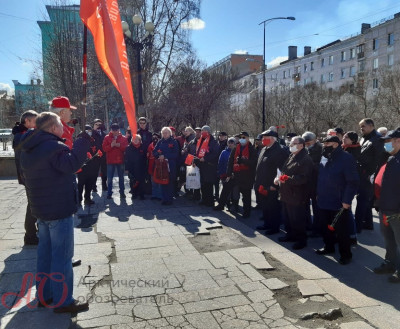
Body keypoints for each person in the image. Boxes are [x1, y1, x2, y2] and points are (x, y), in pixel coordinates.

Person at [20, 112, 90, 313]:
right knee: (62, 256)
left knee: (45, 255)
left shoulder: (28, 148)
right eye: (60, 124)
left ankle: (45, 296)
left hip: (41, 210)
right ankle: (63, 301)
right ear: (52, 128)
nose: (63, 128)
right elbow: (71, 165)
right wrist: (82, 142)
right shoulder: (53, 147)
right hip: (58, 210)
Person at [316, 135, 359, 265]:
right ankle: (328, 247)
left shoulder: (346, 158)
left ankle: (346, 254)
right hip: (323, 198)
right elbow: (321, 176)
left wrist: (347, 200)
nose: (324, 146)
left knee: (341, 230)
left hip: (338, 201)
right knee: (325, 227)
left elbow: (352, 182)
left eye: (327, 143)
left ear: (335, 144)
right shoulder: (325, 156)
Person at [373, 128, 400, 283]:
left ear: (398, 140)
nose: (386, 145)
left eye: (388, 141)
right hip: (386, 207)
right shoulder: (391, 158)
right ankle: (390, 263)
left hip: (397, 210)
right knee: (389, 239)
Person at [277, 136, 313, 249]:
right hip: (287, 192)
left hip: (297, 195)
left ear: (301, 145)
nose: (290, 145)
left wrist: (287, 178)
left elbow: (303, 178)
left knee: (297, 219)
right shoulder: (292, 156)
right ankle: (290, 235)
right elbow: (284, 170)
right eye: (290, 143)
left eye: (293, 143)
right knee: (288, 218)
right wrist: (278, 177)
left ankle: (301, 240)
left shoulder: (306, 159)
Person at [255, 130, 289, 235]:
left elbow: (281, 169)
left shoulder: (280, 151)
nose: (263, 139)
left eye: (266, 137)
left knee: (273, 207)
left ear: (273, 138)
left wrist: (275, 185)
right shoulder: (264, 149)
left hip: (271, 186)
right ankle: (267, 224)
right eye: (263, 137)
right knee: (265, 207)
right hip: (262, 184)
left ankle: (274, 227)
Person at [12, 110, 38, 245]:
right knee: (33, 205)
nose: (37, 124)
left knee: (34, 204)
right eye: (35, 121)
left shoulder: (22, 134)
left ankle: (33, 233)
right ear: (27, 121)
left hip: (29, 175)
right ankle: (30, 235)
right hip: (29, 175)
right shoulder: (21, 136)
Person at [356, 118, 385, 232]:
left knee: (362, 199)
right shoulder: (364, 137)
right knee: (365, 200)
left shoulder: (378, 139)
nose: (361, 128)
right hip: (362, 171)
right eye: (360, 126)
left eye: (363, 126)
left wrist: (371, 174)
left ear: (371, 125)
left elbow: (379, 159)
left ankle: (357, 226)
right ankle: (368, 223)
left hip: (368, 174)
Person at [223, 131, 257, 218]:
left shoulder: (252, 149)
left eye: (244, 138)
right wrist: (229, 173)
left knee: (246, 196)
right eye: (240, 137)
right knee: (233, 192)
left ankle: (246, 212)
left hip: (247, 176)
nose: (242, 139)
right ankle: (229, 206)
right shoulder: (236, 148)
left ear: (248, 138)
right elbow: (230, 161)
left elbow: (254, 163)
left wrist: (243, 161)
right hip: (236, 174)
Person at [302, 131, 323, 237]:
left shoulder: (321, 150)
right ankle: (307, 225)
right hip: (306, 181)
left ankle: (317, 229)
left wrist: (311, 165)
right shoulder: (304, 150)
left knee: (316, 207)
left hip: (316, 182)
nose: (307, 145)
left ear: (314, 140)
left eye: (309, 143)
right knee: (305, 204)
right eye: (305, 143)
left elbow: (321, 166)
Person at [193, 125, 220, 207]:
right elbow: (197, 151)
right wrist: (195, 160)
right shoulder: (201, 140)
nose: (202, 133)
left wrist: (206, 158)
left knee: (209, 184)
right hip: (201, 165)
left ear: (208, 132)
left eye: (204, 131)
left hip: (209, 166)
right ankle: (204, 199)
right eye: (202, 131)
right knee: (203, 183)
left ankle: (210, 201)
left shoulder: (213, 142)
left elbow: (215, 154)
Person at [153, 127, 179, 205]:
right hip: (161, 165)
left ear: (170, 133)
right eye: (163, 133)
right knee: (162, 181)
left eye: (166, 132)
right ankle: (164, 198)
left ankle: (169, 199)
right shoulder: (160, 142)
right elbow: (154, 151)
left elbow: (176, 154)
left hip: (170, 165)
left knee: (170, 182)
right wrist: (159, 155)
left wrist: (165, 156)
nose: (164, 134)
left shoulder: (174, 142)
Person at [77, 125, 102, 205]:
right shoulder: (79, 139)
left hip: (92, 165)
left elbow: (97, 148)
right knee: (81, 183)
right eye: (87, 131)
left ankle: (87, 198)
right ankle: (78, 199)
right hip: (83, 165)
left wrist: (97, 155)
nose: (89, 132)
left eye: (90, 130)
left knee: (90, 183)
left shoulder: (93, 139)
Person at [102, 123, 128, 199]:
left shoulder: (123, 138)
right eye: (113, 130)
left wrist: (119, 145)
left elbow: (126, 148)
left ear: (119, 130)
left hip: (120, 160)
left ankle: (122, 192)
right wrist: (111, 145)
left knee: (121, 177)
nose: (115, 132)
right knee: (110, 178)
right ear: (111, 130)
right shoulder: (107, 138)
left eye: (116, 130)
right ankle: (109, 193)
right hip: (110, 161)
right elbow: (104, 149)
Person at [214, 137, 238, 211]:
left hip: (235, 175)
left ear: (235, 144)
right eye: (229, 143)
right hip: (225, 174)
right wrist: (221, 173)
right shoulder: (224, 152)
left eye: (232, 143)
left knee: (235, 192)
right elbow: (220, 163)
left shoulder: (237, 152)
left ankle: (235, 205)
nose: (230, 144)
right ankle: (224, 204)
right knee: (225, 191)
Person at [125, 134, 147, 200]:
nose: (135, 140)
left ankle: (141, 195)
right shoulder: (128, 148)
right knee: (133, 182)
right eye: (134, 139)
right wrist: (127, 168)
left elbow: (145, 158)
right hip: (132, 168)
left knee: (141, 182)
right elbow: (126, 159)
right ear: (132, 140)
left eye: (137, 139)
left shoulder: (143, 147)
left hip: (141, 167)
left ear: (140, 140)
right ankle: (134, 194)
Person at [92, 119, 108, 191]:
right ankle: (93, 186)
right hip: (95, 155)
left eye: (99, 125)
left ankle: (104, 185)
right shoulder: (91, 134)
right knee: (94, 171)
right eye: (96, 124)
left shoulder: (104, 134)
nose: (98, 126)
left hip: (103, 155)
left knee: (104, 171)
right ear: (94, 125)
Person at [147, 133, 162, 200]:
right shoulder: (150, 145)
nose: (155, 139)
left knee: (159, 181)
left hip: (158, 166)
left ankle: (159, 195)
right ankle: (154, 194)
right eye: (154, 138)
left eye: (156, 138)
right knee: (153, 182)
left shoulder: (161, 145)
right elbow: (148, 155)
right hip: (151, 165)